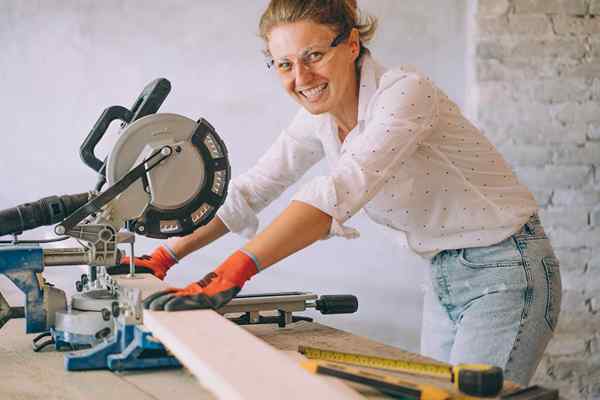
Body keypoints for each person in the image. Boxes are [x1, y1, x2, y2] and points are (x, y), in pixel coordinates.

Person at [128, 0, 562, 386]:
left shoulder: (405, 94)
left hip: (507, 270)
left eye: (314, 55)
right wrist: (169, 254)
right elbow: (253, 189)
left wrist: (229, 275)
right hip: (442, 273)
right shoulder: (318, 118)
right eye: (284, 64)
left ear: (352, 45)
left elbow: (336, 192)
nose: (301, 77)